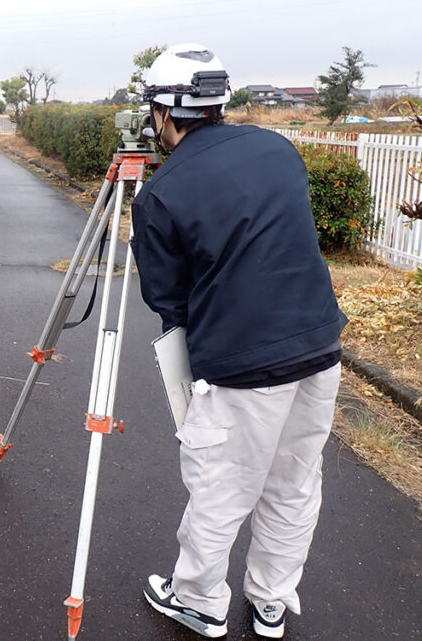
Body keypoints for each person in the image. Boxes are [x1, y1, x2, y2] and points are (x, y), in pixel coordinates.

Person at [131, 44, 348, 639]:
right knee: (295, 479)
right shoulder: (278, 149)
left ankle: (200, 600)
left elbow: (168, 301)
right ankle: (272, 599)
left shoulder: (161, 193)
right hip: (320, 344)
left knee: (223, 486)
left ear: (164, 114)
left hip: (245, 364)